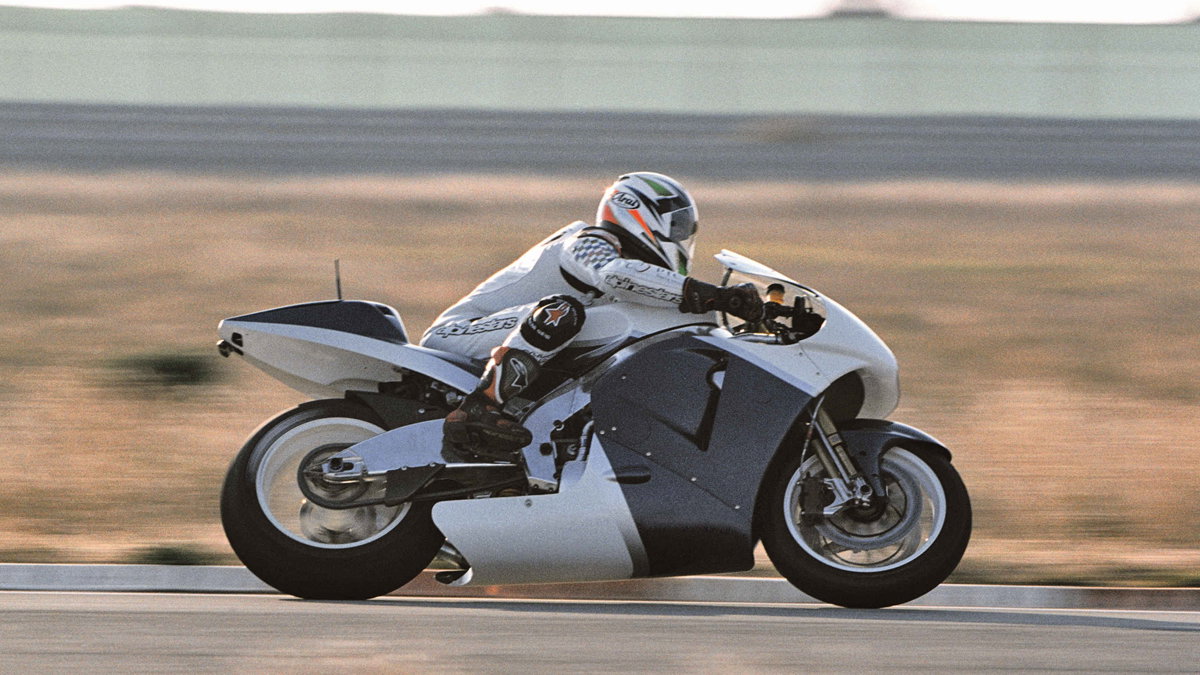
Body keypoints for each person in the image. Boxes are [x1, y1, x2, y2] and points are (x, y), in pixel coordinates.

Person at [419, 171, 763, 460]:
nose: (681, 236)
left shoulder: (635, 274)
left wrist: (749, 314)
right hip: (458, 334)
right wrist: (715, 295)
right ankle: (479, 407)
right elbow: (613, 274)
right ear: (639, 211)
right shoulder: (588, 241)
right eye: (677, 225)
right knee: (561, 312)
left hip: (507, 338)